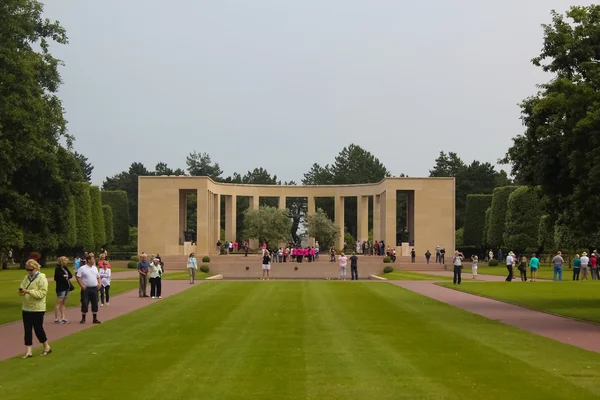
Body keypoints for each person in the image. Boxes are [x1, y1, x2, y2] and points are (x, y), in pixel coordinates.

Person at [19, 259, 52, 358]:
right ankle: (29, 351)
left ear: (36, 268)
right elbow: (22, 287)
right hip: (26, 307)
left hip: (38, 308)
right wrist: (21, 291)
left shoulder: (42, 278)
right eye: (27, 270)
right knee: (27, 329)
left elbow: (42, 293)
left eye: (31, 269)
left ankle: (46, 346)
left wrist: (29, 291)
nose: (29, 272)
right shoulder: (26, 278)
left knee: (38, 329)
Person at [76, 254, 101, 324]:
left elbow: (98, 277)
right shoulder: (82, 268)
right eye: (93, 259)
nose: (94, 260)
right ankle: (83, 318)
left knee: (95, 303)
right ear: (88, 260)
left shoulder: (95, 268)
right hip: (86, 289)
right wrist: (82, 285)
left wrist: (99, 283)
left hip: (94, 288)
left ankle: (95, 318)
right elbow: (78, 277)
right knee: (85, 303)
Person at [53, 256, 73, 323]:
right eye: (65, 262)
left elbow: (70, 275)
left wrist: (67, 276)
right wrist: (63, 277)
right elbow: (56, 278)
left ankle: (63, 317)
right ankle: (57, 318)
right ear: (61, 262)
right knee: (59, 302)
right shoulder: (57, 269)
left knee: (64, 303)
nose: (66, 263)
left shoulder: (65, 268)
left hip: (66, 286)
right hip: (61, 287)